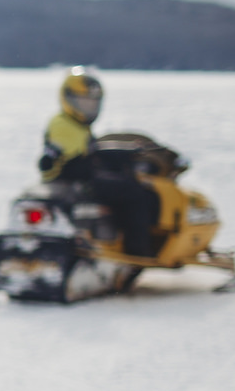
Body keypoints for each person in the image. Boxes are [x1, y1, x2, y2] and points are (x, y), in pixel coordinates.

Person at [35, 66, 160, 257]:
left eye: (92, 103)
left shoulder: (73, 124)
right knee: (136, 193)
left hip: (74, 180)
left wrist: (122, 152)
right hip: (76, 182)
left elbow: (90, 152)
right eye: (83, 102)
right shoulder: (64, 125)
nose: (88, 108)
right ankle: (138, 252)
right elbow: (77, 158)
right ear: (67, 98)